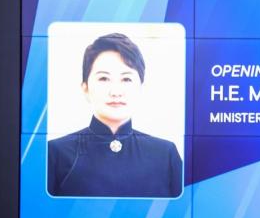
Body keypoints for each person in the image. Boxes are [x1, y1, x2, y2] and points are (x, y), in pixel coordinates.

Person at [48, 32, 182, 198]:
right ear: (85, 89)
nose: (115, 91)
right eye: (104, 78)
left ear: (141, 88)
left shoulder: (165, 154)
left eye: (126, 79)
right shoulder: (55, 153)